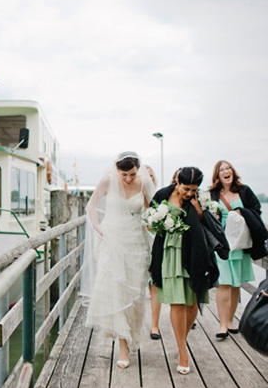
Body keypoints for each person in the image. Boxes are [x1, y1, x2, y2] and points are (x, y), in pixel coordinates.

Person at [82, 152, 155, 369]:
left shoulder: (143, 183)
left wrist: (155, 223)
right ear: (117, 170)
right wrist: (97, 226)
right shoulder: (107, 180)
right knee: (117, 291)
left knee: (135, 294)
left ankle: (132, 336)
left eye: (132, 174)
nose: (129, 179)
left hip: (136, 242)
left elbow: (152, 211)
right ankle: (122, 347)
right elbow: (91, 206)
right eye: (124, 174)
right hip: (113, 241)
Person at [149, 167, 221, 375]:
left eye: (193, 190)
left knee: (192, 305)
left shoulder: (200, 199)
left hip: (193, 254)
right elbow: (150, 226)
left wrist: (199, 211)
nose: (189, 193)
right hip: (169, 254)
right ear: (177, 182)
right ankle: (183, 353)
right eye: (186, 189)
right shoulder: (162, 195)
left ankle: (182, 338)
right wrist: (159, 223)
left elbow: (208, 223)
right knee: (178, 304)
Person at [209, 161, 259, 339]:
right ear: (217, 175)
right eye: (221, 170)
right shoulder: (213, 194)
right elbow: (205, 216)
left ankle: (230, 321)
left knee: (235, 282)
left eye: (228, 168)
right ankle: (222, 325)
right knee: (224, 282)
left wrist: (242, 213)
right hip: (221, 244)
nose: (225, 171)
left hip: (239, 242)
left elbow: (256, 210)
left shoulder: (244, 191)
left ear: (233, 171)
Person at [144, 165, 162, 340]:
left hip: (155, 244)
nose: (148, 179)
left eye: (151, 175)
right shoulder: (134, 196)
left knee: (154, 286)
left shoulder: (159, 199)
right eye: (145, 175)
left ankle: (155, 326)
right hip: (137, 245)